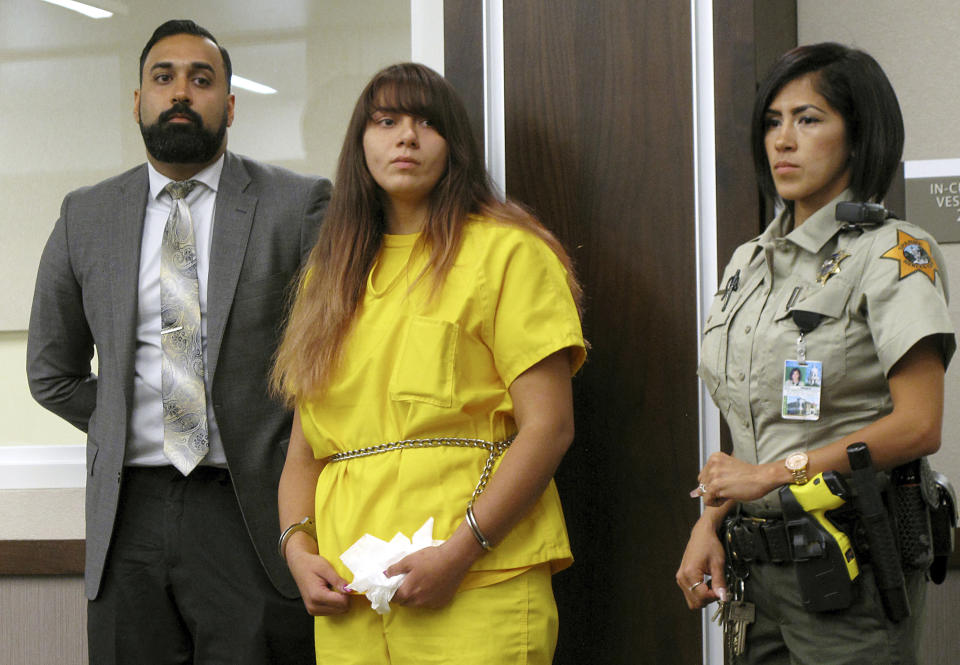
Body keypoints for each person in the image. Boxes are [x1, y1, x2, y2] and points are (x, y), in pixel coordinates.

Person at [26, 19, 329, 664]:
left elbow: (330, 362)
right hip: (128, 511)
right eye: (163, 78)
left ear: (230, 103)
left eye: (202, 78)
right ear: (136, 101)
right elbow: (52, 373)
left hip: (250, 504)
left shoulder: (297, 205)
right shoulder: (86, 214)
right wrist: (144, 413)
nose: (182, 93)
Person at [273, 62, 585, 664]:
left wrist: (460, 551)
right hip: (353, 595)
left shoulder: (507, 251)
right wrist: (298, 551)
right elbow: (302, 455)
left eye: (426, 123)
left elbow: (550, 427)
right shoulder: (329, 277)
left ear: (454, 145)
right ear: (360, 143)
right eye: (386, 121)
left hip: (478, 581)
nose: (406, 137)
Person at [676, 43, 955, 664]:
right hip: (756, 569)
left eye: (809, 119)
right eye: (772, 122)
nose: (783, 140)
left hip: (847, 568)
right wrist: (709, 523)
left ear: (857, 137)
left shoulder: (892, 253)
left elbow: (919, 424)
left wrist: (773, 475)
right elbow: (755, 424)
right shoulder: (749, 261)